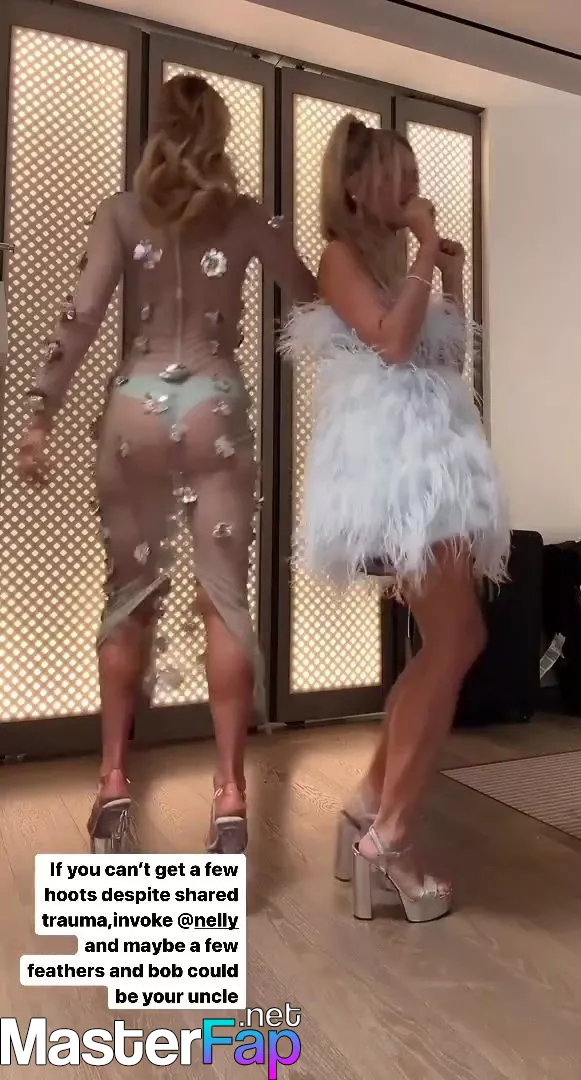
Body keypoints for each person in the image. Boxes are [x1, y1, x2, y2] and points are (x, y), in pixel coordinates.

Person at [17, 74, 315, 855]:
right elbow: (311, 297)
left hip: (137, 406)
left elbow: (82, 313)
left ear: (155, 128)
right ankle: (230, 794)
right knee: (224, 602)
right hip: (215, 402)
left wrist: (42, 412)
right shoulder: (247, 218)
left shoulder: (121, 211)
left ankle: (113, 781)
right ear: (220, 131)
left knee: (130, 596)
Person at [280, 116, 509, 922]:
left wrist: (451, 274)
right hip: (394, 471)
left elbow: (448, 358)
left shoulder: (393, 260)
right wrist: (422, 253)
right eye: (395, 176)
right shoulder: (340, 257)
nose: (412, 187)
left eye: (413, 173)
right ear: (354, 188)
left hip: (434, 465)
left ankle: (369, 808)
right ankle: (392, 834)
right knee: (457, 638)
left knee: (448, 640)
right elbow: (392, 344)